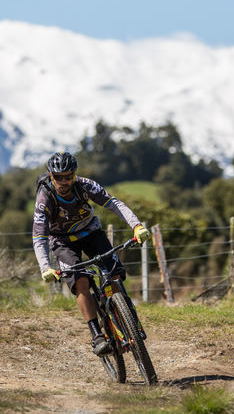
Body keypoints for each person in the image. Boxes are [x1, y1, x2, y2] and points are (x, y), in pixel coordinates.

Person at [32, 151, 152, 355]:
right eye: (58, 177)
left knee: (114, 275)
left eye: (68, 176)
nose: (64, 181)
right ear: (51, 175)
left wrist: (136, 226)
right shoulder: (45, 197)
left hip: (91, 232)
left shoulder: (86, 185)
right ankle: (97, 335)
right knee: (81, 282)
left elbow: (114, 204)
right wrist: (45, 267)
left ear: (75, 174)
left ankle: (129, 319)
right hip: (62, 241)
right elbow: (39, 237)